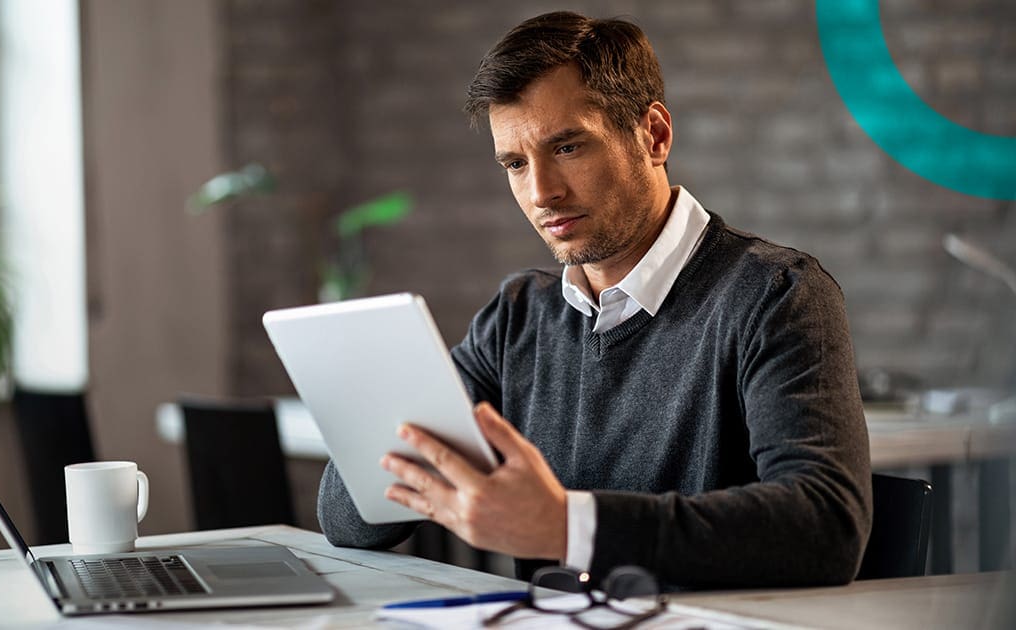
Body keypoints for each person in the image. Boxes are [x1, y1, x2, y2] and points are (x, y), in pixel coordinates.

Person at [317, 11, 872, 589]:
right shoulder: (517, 317)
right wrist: (395, 403)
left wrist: (566, 527)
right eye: (515, 163)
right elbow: (348, 519)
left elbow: (825, 529)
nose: (541, 192)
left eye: (567, 147)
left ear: (653, 135)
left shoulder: (776, 295)